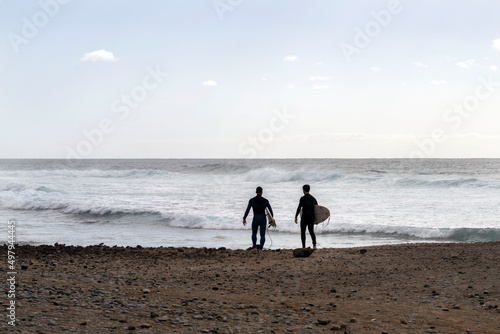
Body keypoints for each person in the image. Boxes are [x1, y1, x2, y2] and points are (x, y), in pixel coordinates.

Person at [243, 186, 274, 252]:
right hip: (263, 219)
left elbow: (247, 210)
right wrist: (272, 219)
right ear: (262, 192)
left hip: (255, 218)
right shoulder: (265, 201)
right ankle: (260, 249)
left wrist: (244, 218)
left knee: (254, 233)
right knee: (262, 235)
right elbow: (271, 211)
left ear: (256, 192)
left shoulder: (251, 200)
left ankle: (254, 247)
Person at [294, 184, 318, 249]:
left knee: (303, 232)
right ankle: (314, 245)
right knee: (311, 231)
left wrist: (296, 217)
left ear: (303, 190)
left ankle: (303, 246)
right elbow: (317, 209)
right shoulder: (313, 199)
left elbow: (299, 208)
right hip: (311, 217)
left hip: (304, 217)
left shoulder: (302, 198)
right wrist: (317, 219)